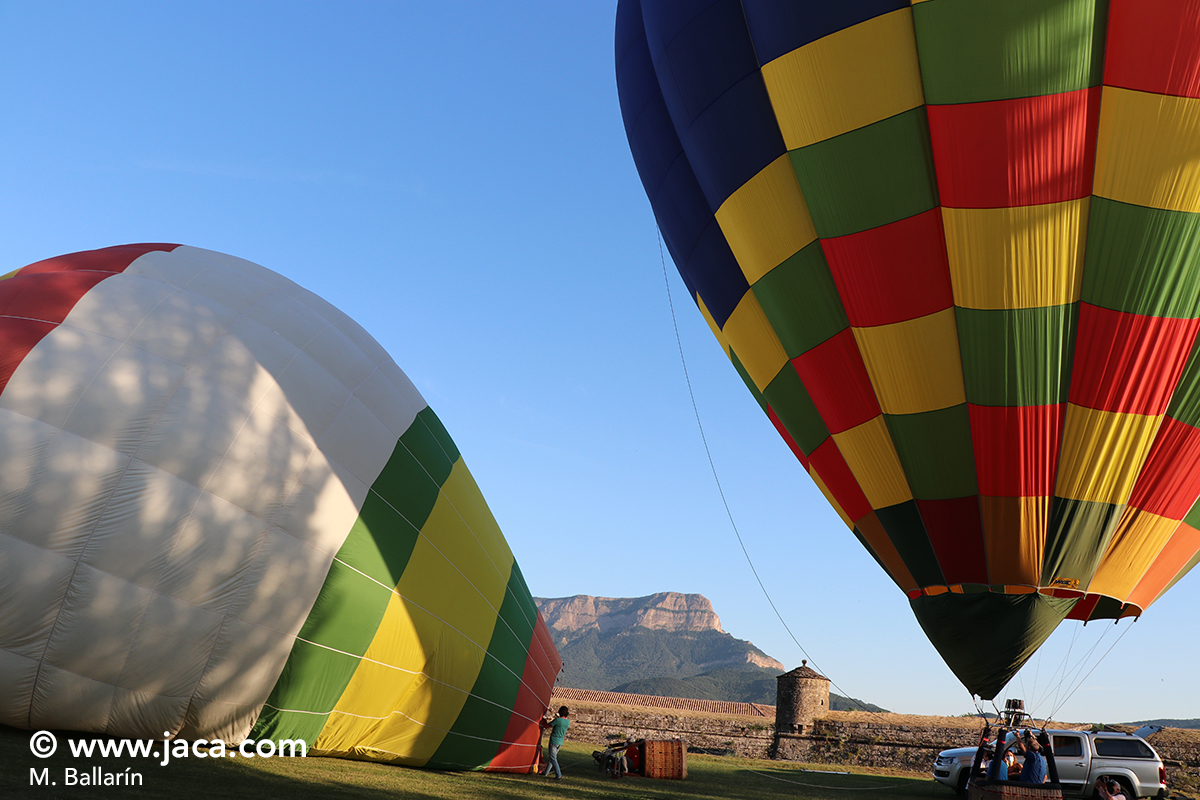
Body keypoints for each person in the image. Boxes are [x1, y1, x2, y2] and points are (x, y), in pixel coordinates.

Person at [540, 706, 570, 780]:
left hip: (554, 741)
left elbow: (546, 726)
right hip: (560, 742)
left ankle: (558, 775)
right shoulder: (567, 722)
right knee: (552, 758)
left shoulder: (557, 720)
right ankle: (546, 772)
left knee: (553, 758)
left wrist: (544, 719)